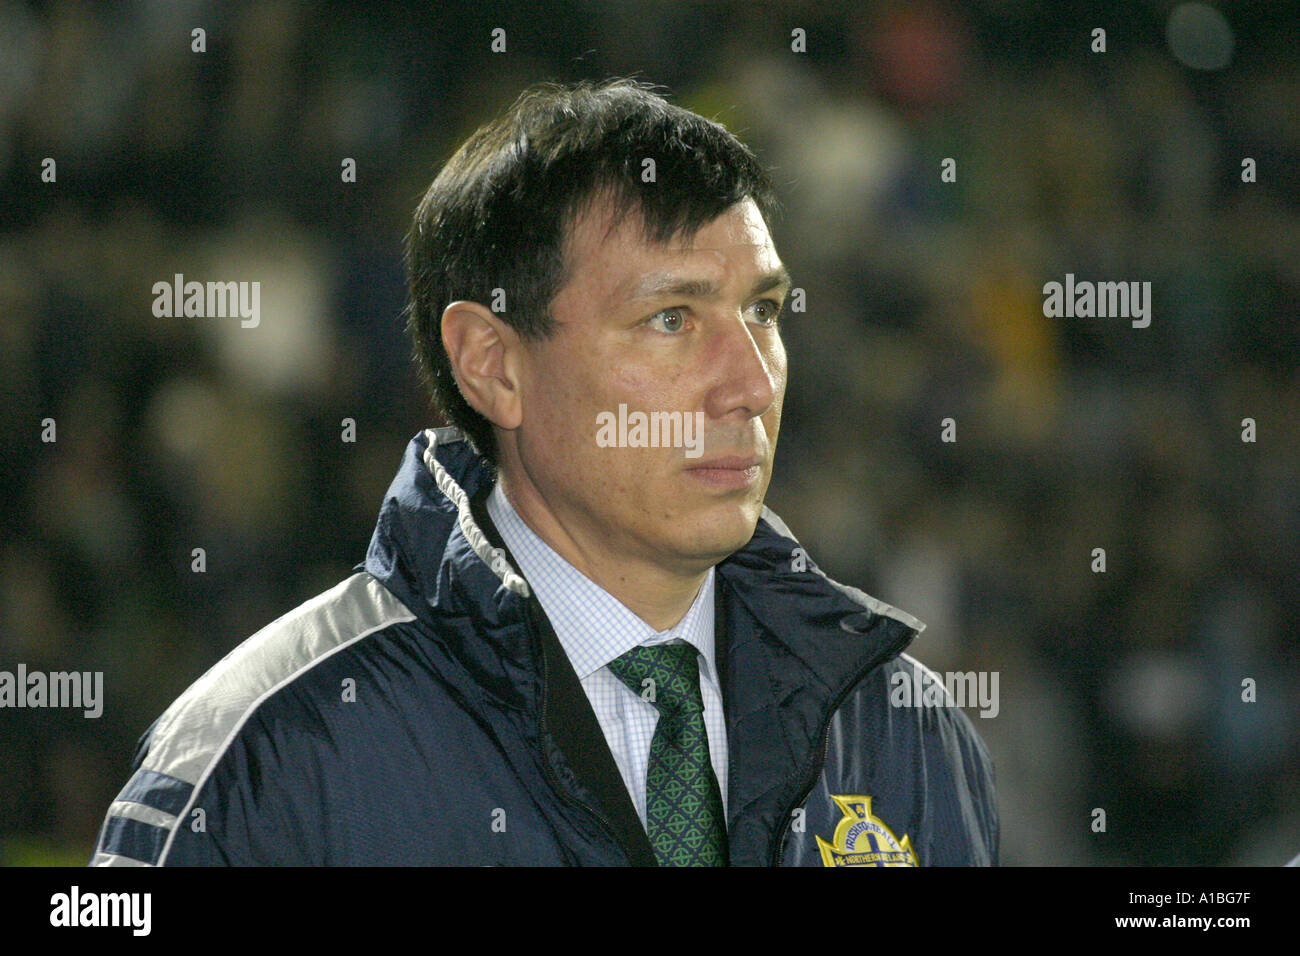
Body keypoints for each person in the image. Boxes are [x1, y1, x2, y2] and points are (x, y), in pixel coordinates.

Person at [89, 78, 998, 866]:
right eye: (672, 319)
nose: (752, 386)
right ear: (493, 364)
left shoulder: (899, 729)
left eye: (762, 311)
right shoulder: (269, 756)